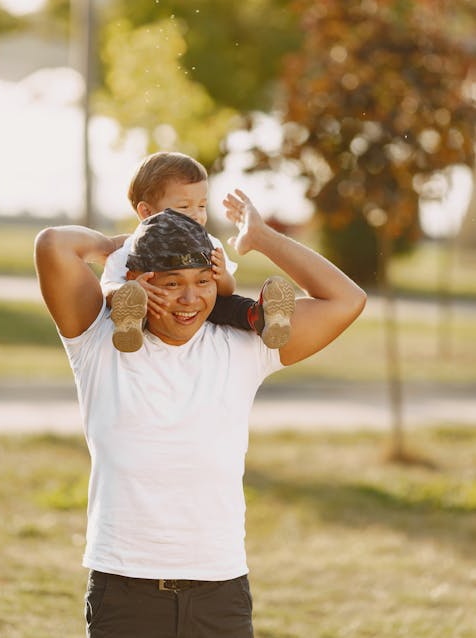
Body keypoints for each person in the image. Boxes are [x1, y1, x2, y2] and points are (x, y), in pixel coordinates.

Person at [34, 188, 366, 638]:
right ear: (138, 279)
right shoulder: (98, 340)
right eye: (171, 284)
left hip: (219, 592)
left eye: (203, 282)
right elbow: (53, 244)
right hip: (125, 588)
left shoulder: (246, 345)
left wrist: (262, 237)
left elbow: (347, 300)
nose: (190, 300)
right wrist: (126, 243)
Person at [102, 151, 295, 352]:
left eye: (202, 205)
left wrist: (222, 276)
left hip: (204, 308)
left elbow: (227, 291)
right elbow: (106, 287)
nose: (196, 214)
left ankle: (260, 316)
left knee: (225, 304)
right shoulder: (133, 246)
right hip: (155, 310)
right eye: (184, 206)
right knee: (140, 305)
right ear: (147, 212)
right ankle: (129, 325)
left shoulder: (208, 243)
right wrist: (127, 290)